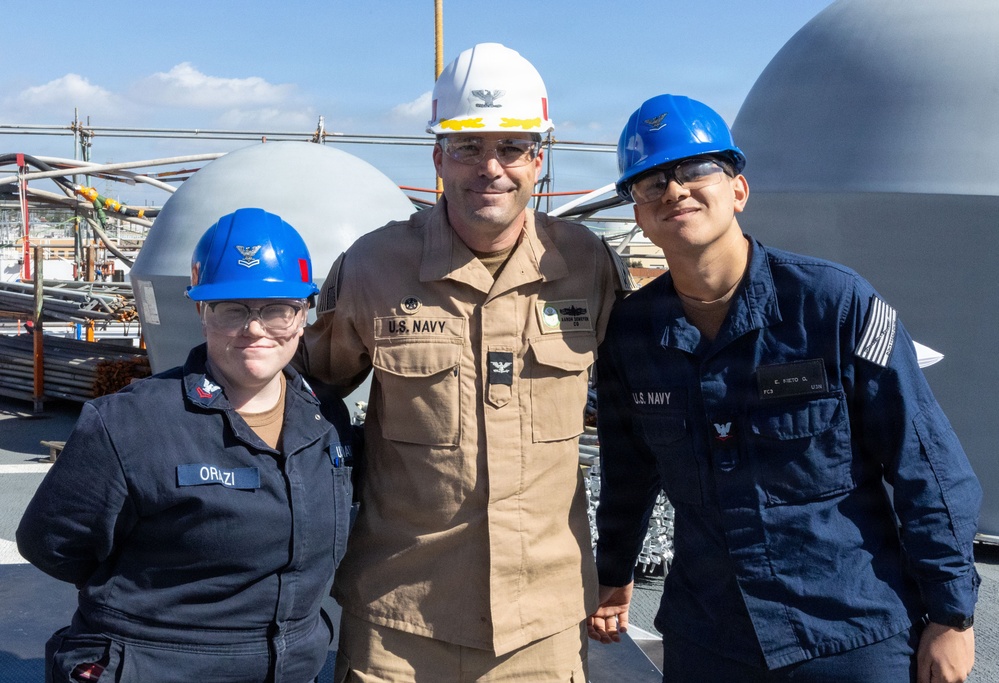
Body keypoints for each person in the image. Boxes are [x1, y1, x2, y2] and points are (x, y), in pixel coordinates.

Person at [587, 94, 982, 683]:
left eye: (696, 169)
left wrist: (952, 616)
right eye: (651, 182)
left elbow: (925, 462)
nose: (674, 190)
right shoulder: (632, 334)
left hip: (849, 633)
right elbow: (628, 470)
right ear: (638, 214)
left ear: (738, 190)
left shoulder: (834, 305)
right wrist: (614, 573)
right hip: (711, 637)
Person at [296, 42, 626, 681]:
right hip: (400, 622)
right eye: (468, 147)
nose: (490, 168)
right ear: (438, 157)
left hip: (541, 628)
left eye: (512, 148)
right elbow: (305, 395)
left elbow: (636, 417)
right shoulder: (373, 267)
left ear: (538, 160)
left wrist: (617, 558)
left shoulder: (587, 265)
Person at [17, 208, 355, 683]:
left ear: (302, 317)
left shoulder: (326, 420)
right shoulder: (130, 423)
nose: (255, 328)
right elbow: (51, 544)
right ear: (202, 313)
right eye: (231, 308)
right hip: (156, 665)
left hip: (291, 668)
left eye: (277, 309)